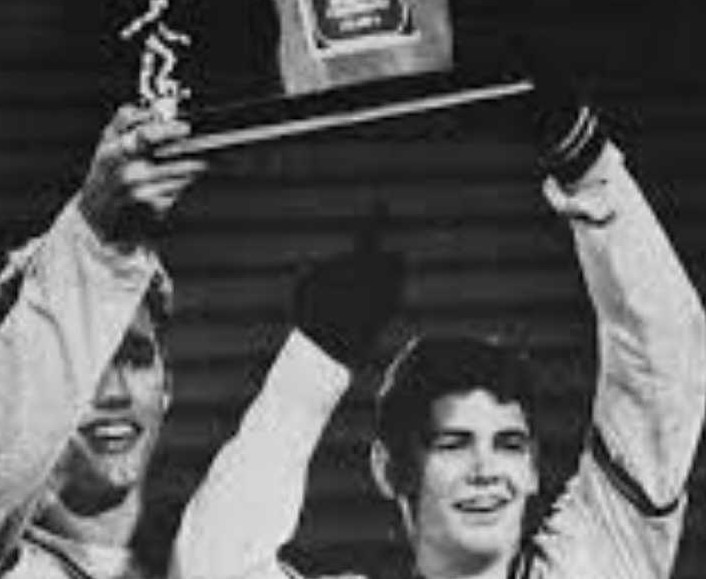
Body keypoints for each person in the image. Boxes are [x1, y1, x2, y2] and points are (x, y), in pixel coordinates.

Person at [203, 81, 706, 579]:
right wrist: (313, 364)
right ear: (388, 469)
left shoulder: (591, 566)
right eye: (452, 443)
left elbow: (666, 362)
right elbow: (212, 566)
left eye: (510, 444)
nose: (486, 472)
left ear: (533, 471)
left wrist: (587, 163)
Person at [0, 98, 402, 579]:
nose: (115, 393)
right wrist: (98, 239)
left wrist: (313, 368)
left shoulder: (227, 557)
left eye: (138, 359)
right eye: (83, 372)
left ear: (167, 383)